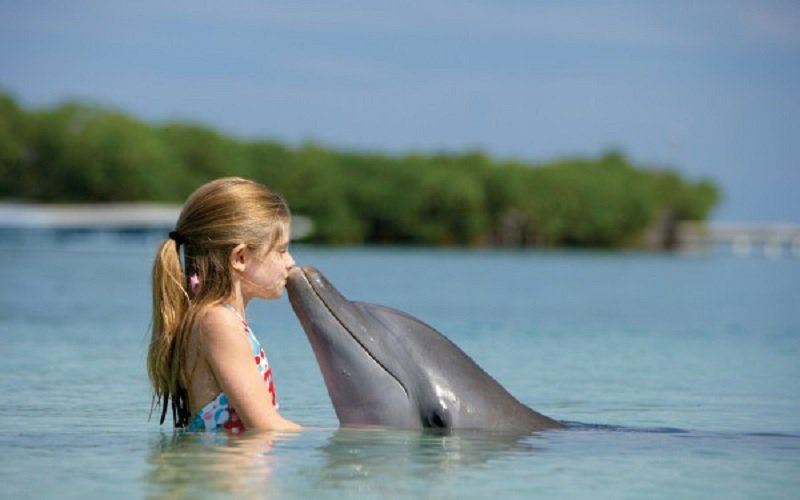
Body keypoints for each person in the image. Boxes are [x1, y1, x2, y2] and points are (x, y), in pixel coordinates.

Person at [148, 177, 302, 432]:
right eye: (281, 250)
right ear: (240, 257)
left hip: (225, 459)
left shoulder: (213, 318)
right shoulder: (218, 321)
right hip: (224, 460)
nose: (290, 262)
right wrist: (341, 441)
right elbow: (266, 427)